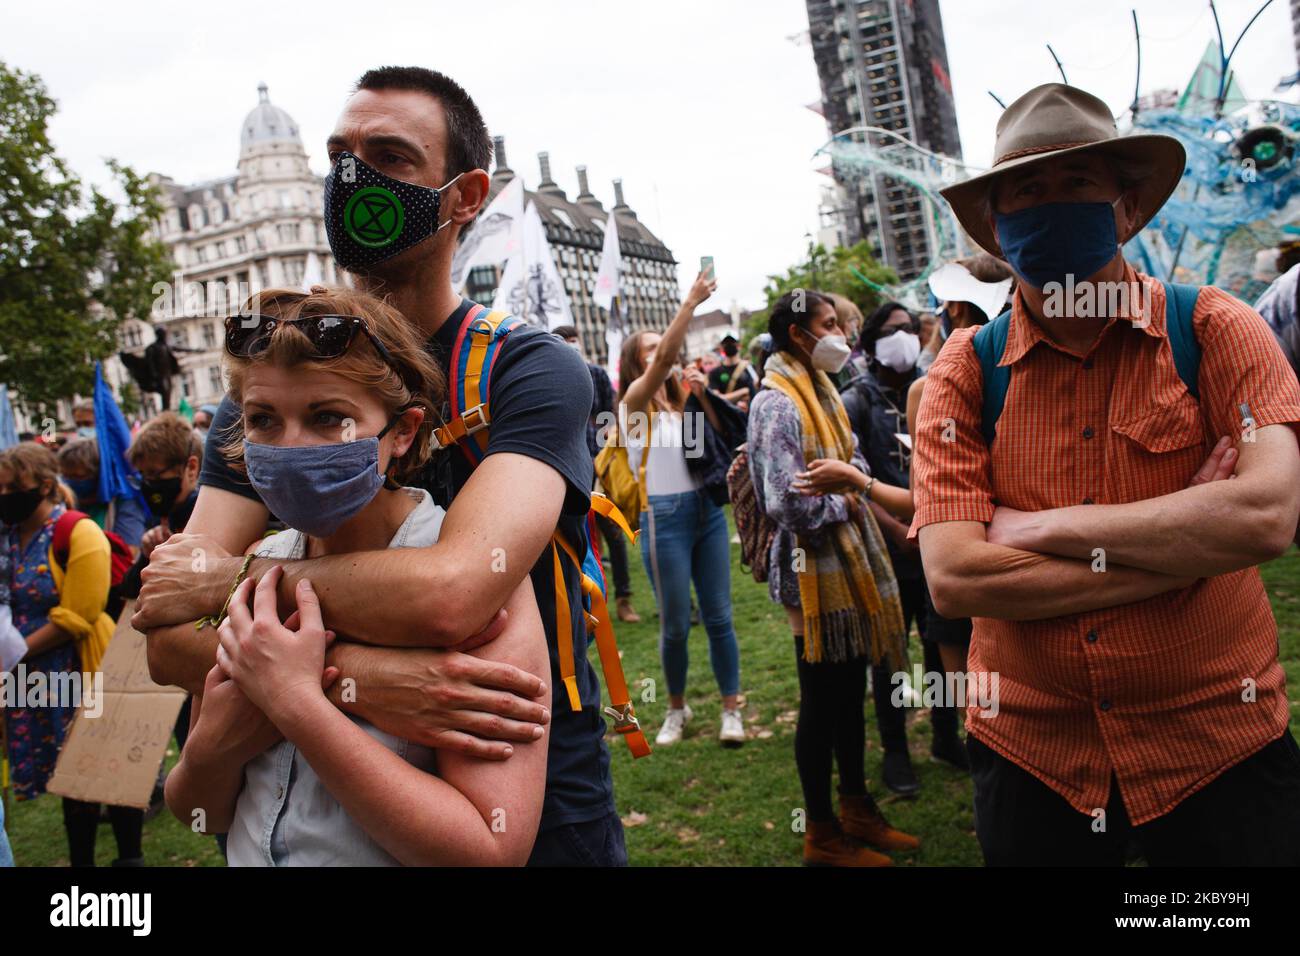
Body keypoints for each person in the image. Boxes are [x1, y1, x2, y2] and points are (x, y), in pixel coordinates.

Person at [135, 65, 627, 866]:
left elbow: (453, 591)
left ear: (465, 196)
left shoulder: (527, 371)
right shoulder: (269, 388)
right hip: (308, 815)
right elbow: (166, 635)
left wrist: (231, 589)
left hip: (520, 781)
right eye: (340, 158)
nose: (353, 181)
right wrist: (361, 680)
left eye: (390, 158)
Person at [915, 83, 1300, 865]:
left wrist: (1040, 529)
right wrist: (1187, 543)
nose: (1052, 203)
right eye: (1028, 189)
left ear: (1125, 210)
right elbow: (956, 578)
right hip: (1035, 753)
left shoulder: (1216, 329)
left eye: (1077, 182)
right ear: (997, 224)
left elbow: (1264, 517)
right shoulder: (964, 370)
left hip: (1217, 742)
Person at [163, 286, 549, 865]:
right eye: (263, 419)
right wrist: (215, 750)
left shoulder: (480, 585)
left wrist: (295, 703)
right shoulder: (246, 571)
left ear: (402, 431)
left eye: (328, 418)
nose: (291, 446)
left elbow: (490, 851)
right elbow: (202, 812)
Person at [746, 290, 919, 866]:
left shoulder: (823, 389)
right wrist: (847, 499)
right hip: (810, 573)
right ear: (799, 335)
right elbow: (785, 502)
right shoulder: (776, 402)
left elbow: (856, 462)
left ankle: (857, 808)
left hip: (849, 563)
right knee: (822, 701)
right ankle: (821, 833)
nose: (840, 334)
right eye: (828, 324)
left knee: (848, 696)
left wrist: (849, 481)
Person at [841, 300, 964, 794]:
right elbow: (850, 481)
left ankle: (946, 735)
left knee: (940, 645)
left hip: (933, 544)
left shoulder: (933, 385)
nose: (907, 336)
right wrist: (896, 530)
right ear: (871, 345)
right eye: (895, 330)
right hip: (887, 547)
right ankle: (895, 752)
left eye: (912, 327)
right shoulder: (856, 400)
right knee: (890, 653)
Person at [618, 271, 745, 747]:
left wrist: (702, 396)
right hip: (663, 519)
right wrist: (689, 303)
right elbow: (665, 361)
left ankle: (731, 708)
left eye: (661, 346)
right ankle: (676, 708)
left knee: (720, 617)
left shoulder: (681, 406)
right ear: (636, 364)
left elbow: (716, 444)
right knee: (674, 626)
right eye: (650, 350)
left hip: (706, 514)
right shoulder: (633, 404)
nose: (661, 354)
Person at [0, 442, 141, 866]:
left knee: (107, 768)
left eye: (12, 488)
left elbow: (80, 615)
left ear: (45, 486)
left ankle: (129, 858)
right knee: (68, 775)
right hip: (33, 677)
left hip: (82, 667)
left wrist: (12, 653)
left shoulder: (78, 532)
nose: (5, 496)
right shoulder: (7, 536)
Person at [904, 256, 1016, 700]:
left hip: (961, 566)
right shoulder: (1038, 370)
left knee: (973, 707)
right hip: (1031, 568)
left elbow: (922, 500)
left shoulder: (927, 389)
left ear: (952, 305)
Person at [553, 324, 641, 624]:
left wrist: (603, 454)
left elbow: (608, 416)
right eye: (564, 341)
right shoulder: (550, 376)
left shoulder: (596, 374)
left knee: (613, 535)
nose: (571, 345)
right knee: (577, 538)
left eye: (574, 340)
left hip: (598, 466)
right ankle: (586, 602)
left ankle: (623, 599)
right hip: (568, 469)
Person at [56, 437, 146, 552]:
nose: (70, 482)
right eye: (65, 476)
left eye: (78, 476)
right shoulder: (60, 502)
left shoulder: (123, 502)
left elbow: (128, 552)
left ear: (98, 476)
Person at [708, 333, 758, 409]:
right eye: (726, 343)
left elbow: (756, 391)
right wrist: (743, 391)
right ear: (721, 348)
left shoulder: (749, 367)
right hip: (727, 414)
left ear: (739, 346)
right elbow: (716, 398)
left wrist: (727, 397)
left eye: (732, 343)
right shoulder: (715, 373)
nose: (729, 345)